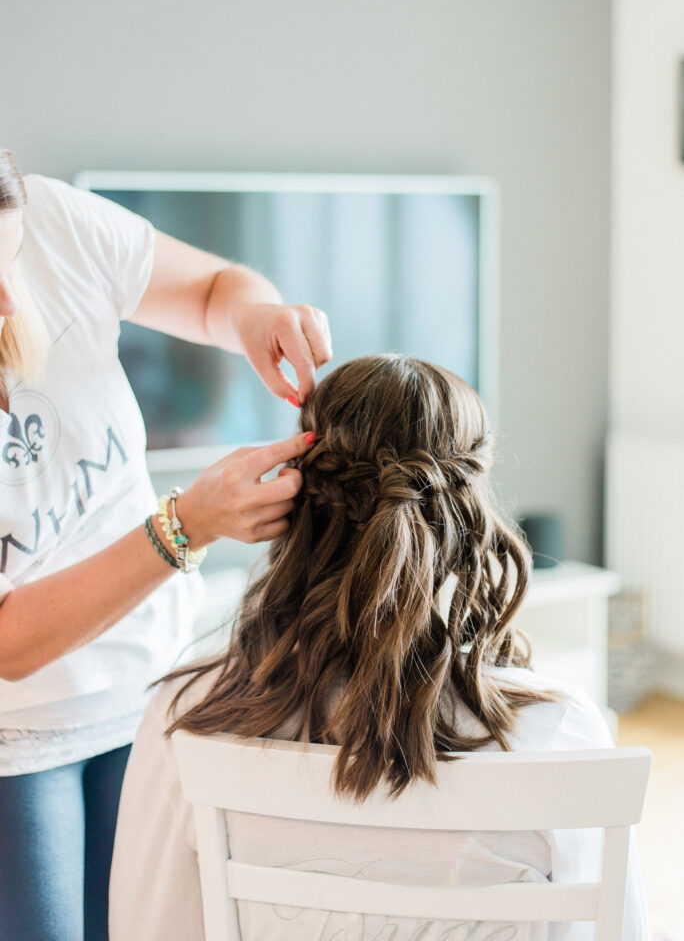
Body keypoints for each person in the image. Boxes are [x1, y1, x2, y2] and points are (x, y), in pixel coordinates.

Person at [110, 354, 649, 941]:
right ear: (467, 510)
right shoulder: (556, 733)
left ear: (294, 490)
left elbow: (149, 926)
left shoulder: (187, 716)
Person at [0, 147, 332, 941]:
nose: (12, 302)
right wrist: (185, 526)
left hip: (154, 686)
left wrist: (255, 316)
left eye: (7, 256)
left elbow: (218, 291)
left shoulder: (51, 220)